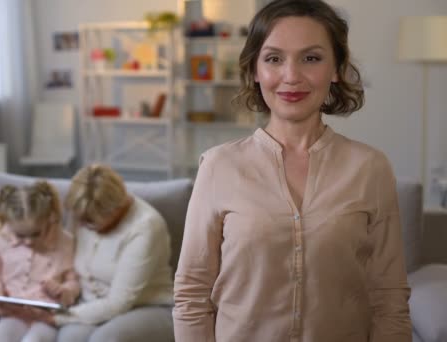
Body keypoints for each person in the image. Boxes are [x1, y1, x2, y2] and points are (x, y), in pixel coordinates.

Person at [173, 1, 412, 341]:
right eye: (273, 58)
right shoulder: (217, 166)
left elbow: (390, 297)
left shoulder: (371, 168)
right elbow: (191, 294)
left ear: (336, 68)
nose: (291, 76)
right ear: (255, 70)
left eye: (311, 58)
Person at [54, 164, 174, 342]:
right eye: (81, 218)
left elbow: (119, 303)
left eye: (91, 220)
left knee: (105, 339)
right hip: (90, 306)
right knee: (69, 338)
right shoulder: (82, 213)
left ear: (116, 208)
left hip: (146, 307)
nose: (84, 224)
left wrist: (57, 316)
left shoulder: (146, 227)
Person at [0, 181, 80, 342]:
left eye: (35, 234)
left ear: (49, 219)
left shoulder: (65, 241)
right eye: (20, 235)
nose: (28, 242)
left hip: (47, 317)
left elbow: (73, 281)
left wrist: (64, 291)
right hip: (13, 314)